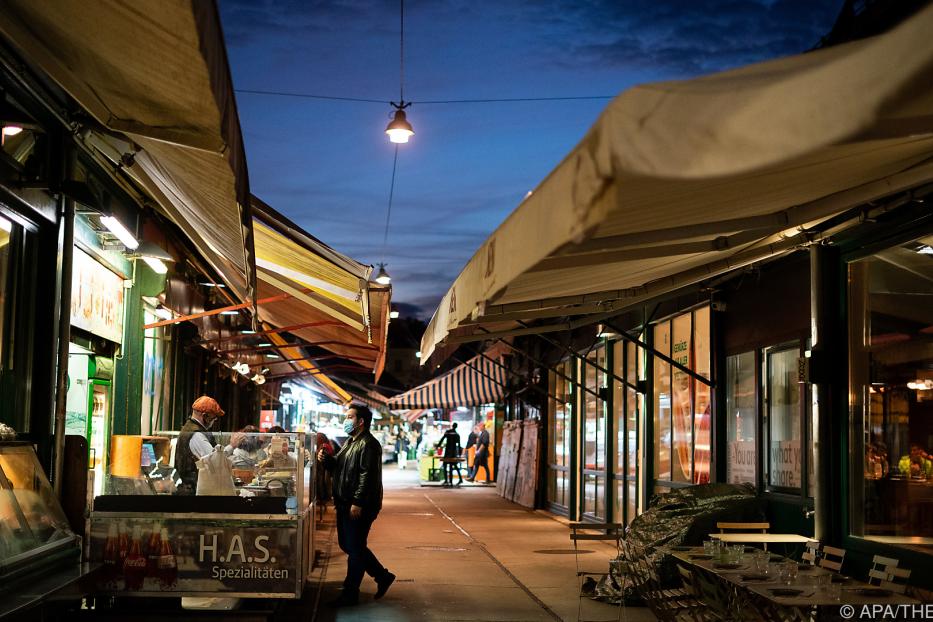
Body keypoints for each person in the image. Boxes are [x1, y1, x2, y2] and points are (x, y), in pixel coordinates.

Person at [317, 405, 395, 606]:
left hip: (359, 504)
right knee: (350, 545)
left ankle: (351, 592)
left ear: (360, 421)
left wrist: (358, 502)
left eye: (350, 417)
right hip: (345, 502)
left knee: (355, 547)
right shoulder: (351, 442)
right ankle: (382, 576)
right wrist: (327, 460)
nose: (346, 420)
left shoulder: (368, 444)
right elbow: (341, 467)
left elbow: (366, 476)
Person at [173, 395, 228, 495]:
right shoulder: (197, 435)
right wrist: (231, 446)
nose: (214, 421)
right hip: (194, 491)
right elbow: (215, 461)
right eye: (214, 417)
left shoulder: (190, 429)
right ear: (205, 416)